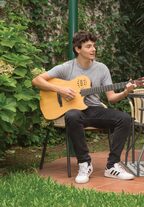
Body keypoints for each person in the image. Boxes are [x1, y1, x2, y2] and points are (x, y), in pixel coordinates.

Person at [32, 31, 135, 184]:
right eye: (88, 46)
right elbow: (36, 80)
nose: (93, 49)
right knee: (72, 115)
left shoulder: (102, 68)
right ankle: (84, 164)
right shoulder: (66, 67)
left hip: (94, 110)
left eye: (94, 46)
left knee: (125, 119)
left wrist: (125, 92)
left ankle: (112, 165)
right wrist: (60, 90)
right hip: (75, 112)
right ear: (78, 49)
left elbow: (111, 98)